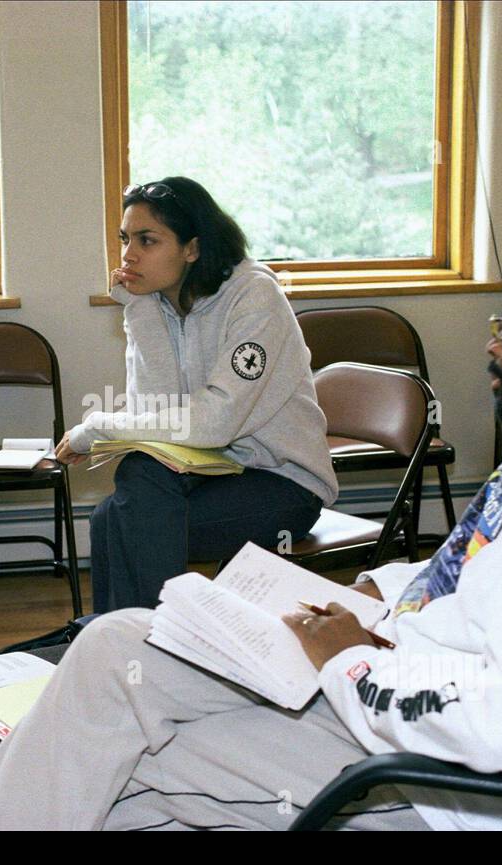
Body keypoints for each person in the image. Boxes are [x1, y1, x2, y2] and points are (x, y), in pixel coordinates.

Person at [0, 219, 502, 831]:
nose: (492, 342)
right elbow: (466, 567)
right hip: (378, 661)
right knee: (112, 646)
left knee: (121, 773)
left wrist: (346, 657)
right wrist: (377, 592)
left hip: (425, 775)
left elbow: (500, 731)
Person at [55, 177, 338, 614]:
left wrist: (96, 429)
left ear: (192, 248)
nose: (129, 254)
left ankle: (141, 645)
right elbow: (157, 411)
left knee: (120, 519)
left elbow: (213, 421)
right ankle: (133, 644)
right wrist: (139, 307)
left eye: (147, 240)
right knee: (131, 487)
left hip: (284, 483)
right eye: (125, 239)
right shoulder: (161, 300)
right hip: (213, 470)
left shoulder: (255, 295)